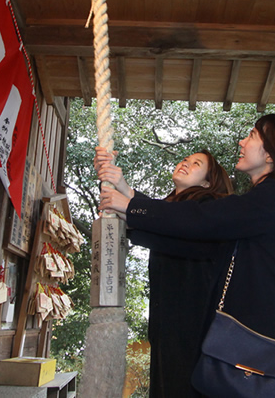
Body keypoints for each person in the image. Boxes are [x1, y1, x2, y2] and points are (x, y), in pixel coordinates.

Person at [98, 114, 275, 397]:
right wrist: (126, 203)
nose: (242, 142)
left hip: (261, 353)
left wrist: (131, 206)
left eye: (252, 136)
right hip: (251, 352)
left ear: (270, 153)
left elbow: (203, 219)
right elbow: (195, 242)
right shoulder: (269, 202)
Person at [95, 148, 234, 398]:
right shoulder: (170, 213)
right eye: (185, 158)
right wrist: (114, 180)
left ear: (207, 182)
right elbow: (159, 216)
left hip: (195, 328)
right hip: (167, 328)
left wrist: (127, 205)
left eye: (196, 163)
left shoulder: (209, 208)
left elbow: (171, 222)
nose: (185, 163)